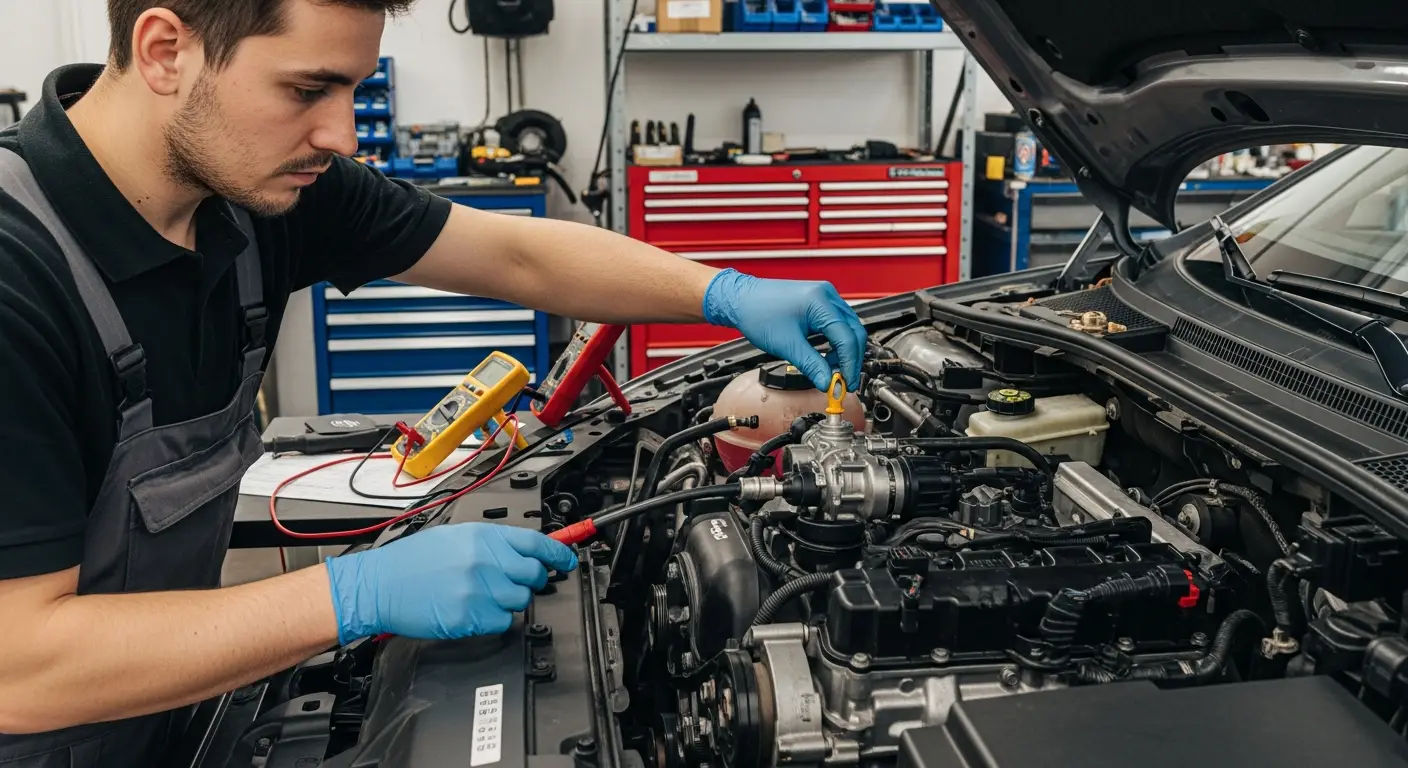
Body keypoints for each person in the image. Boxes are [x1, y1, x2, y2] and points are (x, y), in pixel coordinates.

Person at [0, 0, 869, 761]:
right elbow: (19, 668)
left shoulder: (260, 195)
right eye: (308, 90)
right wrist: (355, 595)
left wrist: (718, 291)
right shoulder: (17, 279)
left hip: (167, 709)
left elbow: (515, 250)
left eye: (351, 91)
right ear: (164, 51)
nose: (341, 135)